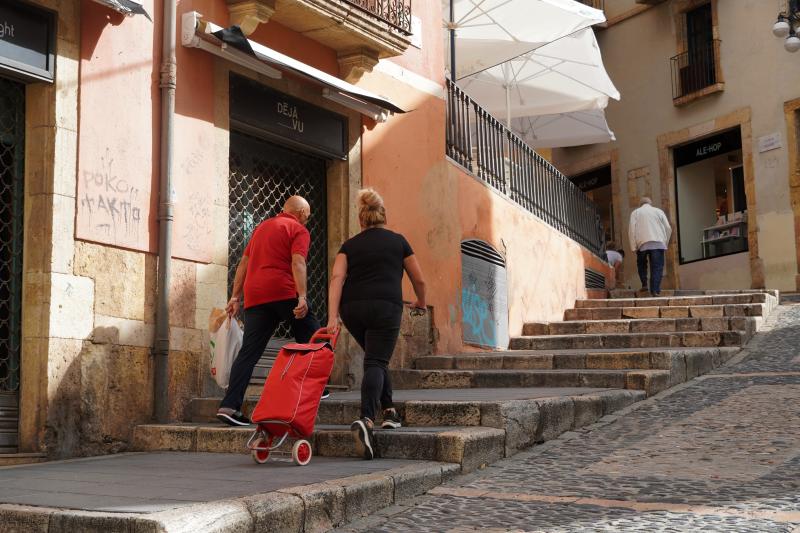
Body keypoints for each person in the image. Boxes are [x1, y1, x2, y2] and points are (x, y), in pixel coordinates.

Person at [325, 188, 426, 460]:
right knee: (376, 361)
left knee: (376, 358)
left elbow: (337, 279)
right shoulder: (399, 242)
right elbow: (419, 279)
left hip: (352, 309)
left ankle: (389, 411)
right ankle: (367, 420)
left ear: (361, 219)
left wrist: (333, 316)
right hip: (385, 307)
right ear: (384, 217)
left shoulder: (348, 246)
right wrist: (421, 301)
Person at [217, 195, 323, 427]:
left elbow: (243, 264)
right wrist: (302, 296)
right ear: (301, 214)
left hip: (255, 295)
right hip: (283, 290)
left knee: (249, 352)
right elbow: (298, 262)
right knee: (314, 337)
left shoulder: (261, 228)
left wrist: (235, 297)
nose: (307, 220)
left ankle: (229, 406)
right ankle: (316, 385)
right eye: (307, 216)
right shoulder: (298, 229)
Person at [628, 197, 672, 297]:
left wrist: (633, 246)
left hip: (642, 243)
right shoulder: (659, 211)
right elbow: (668, 227)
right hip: (658, 242)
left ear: (640, 205)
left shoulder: (635, 212)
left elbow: (631, 230)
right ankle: (655, 290)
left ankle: (644, 284)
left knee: (641, 264)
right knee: (657, 267)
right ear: (650, 203)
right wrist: (665, 242)